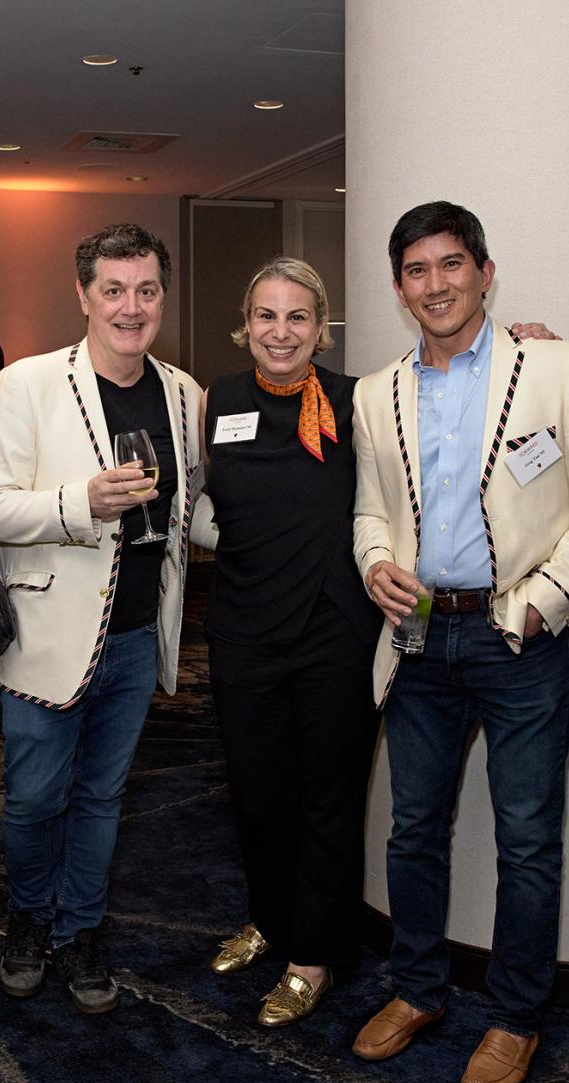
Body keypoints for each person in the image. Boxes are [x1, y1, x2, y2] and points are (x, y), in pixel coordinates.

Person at [350, 202, 569, 1083]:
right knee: (413, 832)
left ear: (484, 270)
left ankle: (515, 1018)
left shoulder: (554, 366)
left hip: (521, 640)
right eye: (417, 271)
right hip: (420, 637)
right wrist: (375, 563)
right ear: (400, 288)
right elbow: (370, 508)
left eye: (451, 265)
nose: (435, 285)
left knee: (527, 840)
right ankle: (418, 990)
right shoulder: (375, 392)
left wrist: (544, 605)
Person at [0, 222, 207, 1014]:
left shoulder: (183, 392)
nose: (130, 307)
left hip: (139, 636)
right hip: (45, 634)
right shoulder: (30, 384)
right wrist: (83, 503)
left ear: (162, 298)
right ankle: (29, 920)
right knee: (37, 798)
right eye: (113, 289)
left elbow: (194, 510)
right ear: (82, 295)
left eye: (145, 290)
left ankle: (81, 929)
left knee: (104, 799)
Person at [193, 258, 382, 1027]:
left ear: (322, 327)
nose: (280, 331)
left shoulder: (355, 402)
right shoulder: (218, 401)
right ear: (246, 324)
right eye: (266, 316)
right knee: (258, 796)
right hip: (243, 630)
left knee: (328, 799)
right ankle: (270, 919)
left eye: (297, 317)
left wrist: (530, 342)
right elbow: (202, 505)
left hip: (335, 632)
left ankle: (314, 955)